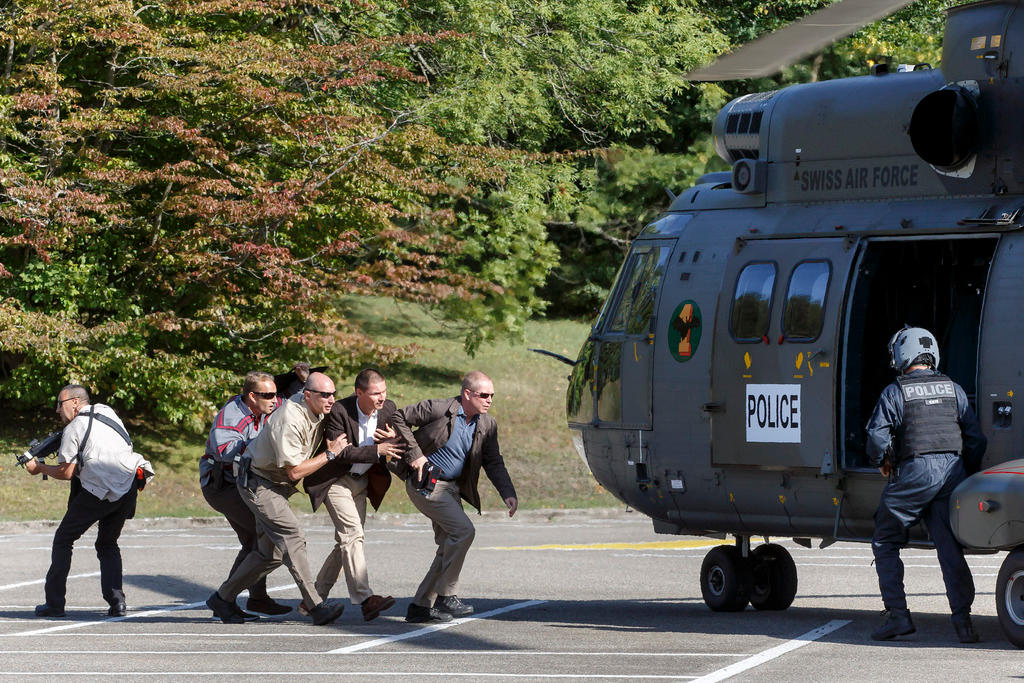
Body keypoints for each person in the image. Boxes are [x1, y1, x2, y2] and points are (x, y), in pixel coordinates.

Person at [866, 326, 987, 643]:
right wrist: (965, 473)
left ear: (901, 356)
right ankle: (964, 623)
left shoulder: (896, 391)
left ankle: (898, 616)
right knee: (949, 550)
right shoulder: (954, 389)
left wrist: (883, 462)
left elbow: (876, 436)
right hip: (952, 474)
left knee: (885, 538)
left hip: (915, 474)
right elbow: (975, 439)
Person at [206, 371, 349, 626]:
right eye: (325, 395)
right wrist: (330, 454)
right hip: (257, 482)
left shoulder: (313, 407)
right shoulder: (290, 419)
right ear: (307, 396)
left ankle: (223, 598)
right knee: (292, 535)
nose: (331, 400)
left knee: (268, 554)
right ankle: (316, 605)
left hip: (273, 483)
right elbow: (294, 471)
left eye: (333, 394)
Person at [392, 370, 518, 623]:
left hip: (452, 489)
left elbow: (493, 461)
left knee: (449, 546)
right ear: (467, 394)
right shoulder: (439, 409)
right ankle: (446, 596)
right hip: (426, 485)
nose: (489, 400)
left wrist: (508, 493)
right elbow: (398, 416)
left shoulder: (487, 424)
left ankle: (419, 606)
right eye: (484, 395)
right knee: (464, 531)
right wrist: (415, 454)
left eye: (492, 395)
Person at [27, 385, 148, 618]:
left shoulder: (75, 427)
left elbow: (67, 472)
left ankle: (54, 604)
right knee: (107, 544)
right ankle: (117, 603)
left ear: (74, 402)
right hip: (129, 483)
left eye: (59, 405)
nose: (57, 411)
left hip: (100, 490)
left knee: (63, 539)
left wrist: (39, 467)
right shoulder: (107, 412)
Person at [302, 368, 403, 621]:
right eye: (375, 393)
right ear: (359, 393)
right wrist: (378, 449)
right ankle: (365, 599)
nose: (382, 398)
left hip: (362, 482)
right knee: (353, 535)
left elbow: (402, 439)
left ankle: (311, 600)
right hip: (335, 480)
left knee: (345, 542)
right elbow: (342, 452)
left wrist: (395, 438)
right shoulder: (340, 410)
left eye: (384, 392)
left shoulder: (389, 409)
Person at [201, 371, 290, 618]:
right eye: (268, 395)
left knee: (254, 542)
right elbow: (226, 453)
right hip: (223, 486)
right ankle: (224, 599)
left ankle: (254, 599)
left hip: (244, 483)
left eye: (275, 394)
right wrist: (265, 445)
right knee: (262, 539)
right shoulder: (230, 419)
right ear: (252, 396)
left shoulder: (266, 405)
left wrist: (304, 382)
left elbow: (291, 402)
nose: (275, 400)